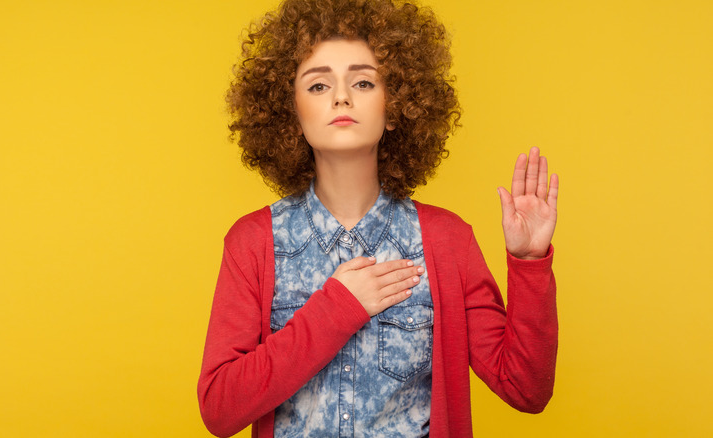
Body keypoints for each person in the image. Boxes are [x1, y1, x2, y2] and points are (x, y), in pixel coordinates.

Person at [198, 0, 559, 437]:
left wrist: (529, 263)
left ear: (396, 106)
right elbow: (219, 409)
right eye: (317, 86)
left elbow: (525, 389)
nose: (341, 96)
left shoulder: (447, 242)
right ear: (290, 113)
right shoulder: (252, 243)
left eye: (364, 82)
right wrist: (337, 308)